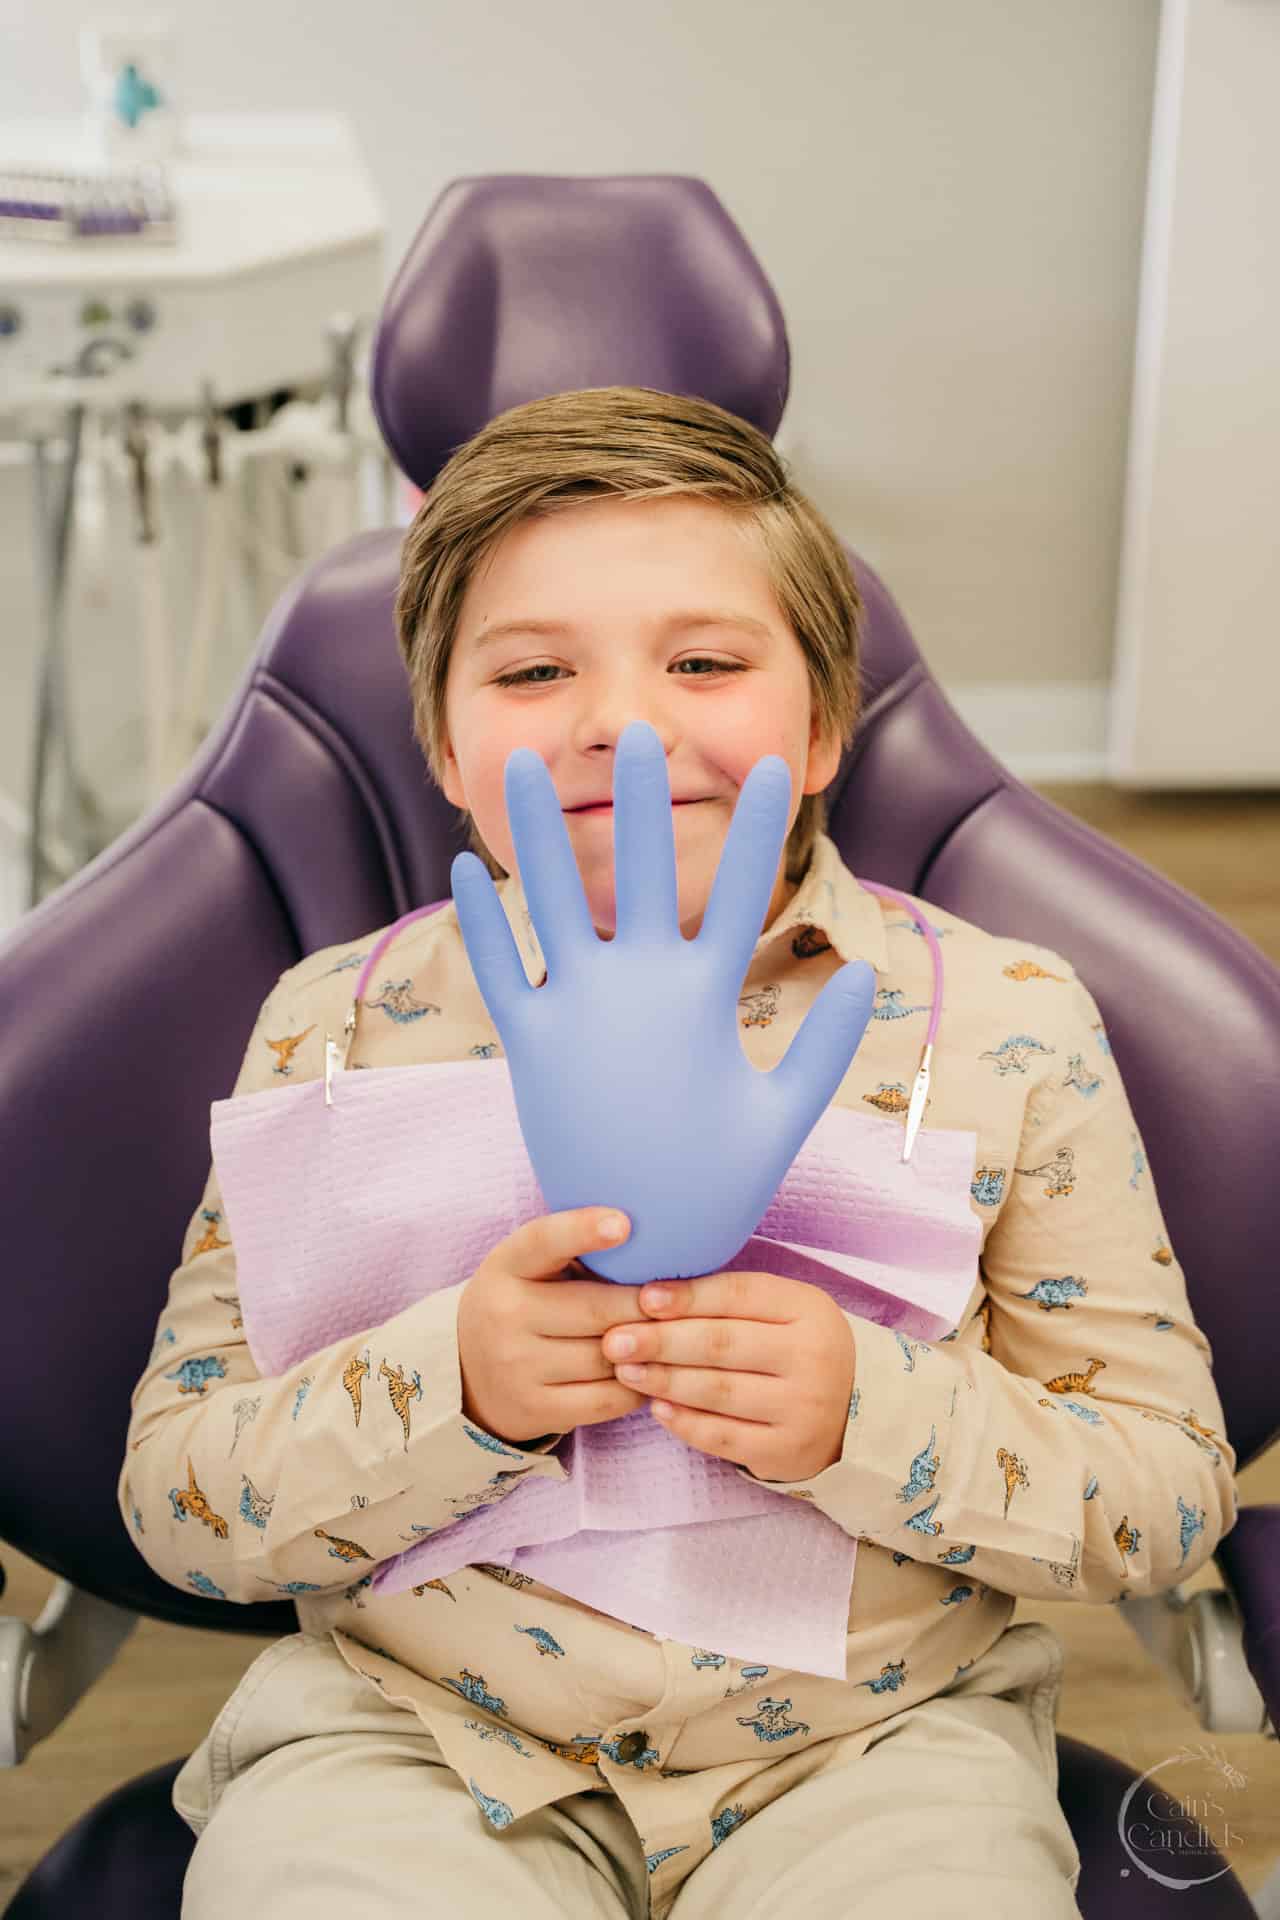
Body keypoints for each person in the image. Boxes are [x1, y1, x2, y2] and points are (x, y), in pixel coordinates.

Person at [119, 386, 1237, 1919]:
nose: (620, 726)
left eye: (704, 661)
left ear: (826, 721)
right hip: (411, 1742)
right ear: (445, 746)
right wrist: (459, 1385)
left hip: (877, 1750)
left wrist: (867, 1406)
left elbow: (1168, 1492)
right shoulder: (339, 1026)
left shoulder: (1003, 1025)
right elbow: (180, 1500)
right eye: (531, 672)